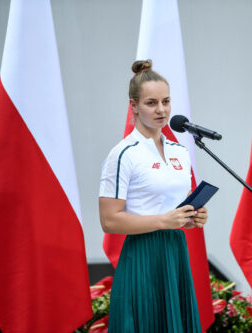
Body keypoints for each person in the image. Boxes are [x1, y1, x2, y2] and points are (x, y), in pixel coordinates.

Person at [98, 59, 207, 333]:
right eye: (151, 103)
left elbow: (172, 210)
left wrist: (191, 217)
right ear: (133, 106)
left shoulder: (179, 151)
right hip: (143, 254)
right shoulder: (124, 153)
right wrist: (164, 221)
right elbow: (110, 221)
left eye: (166, 101)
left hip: (175, 250)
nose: (161, 110)